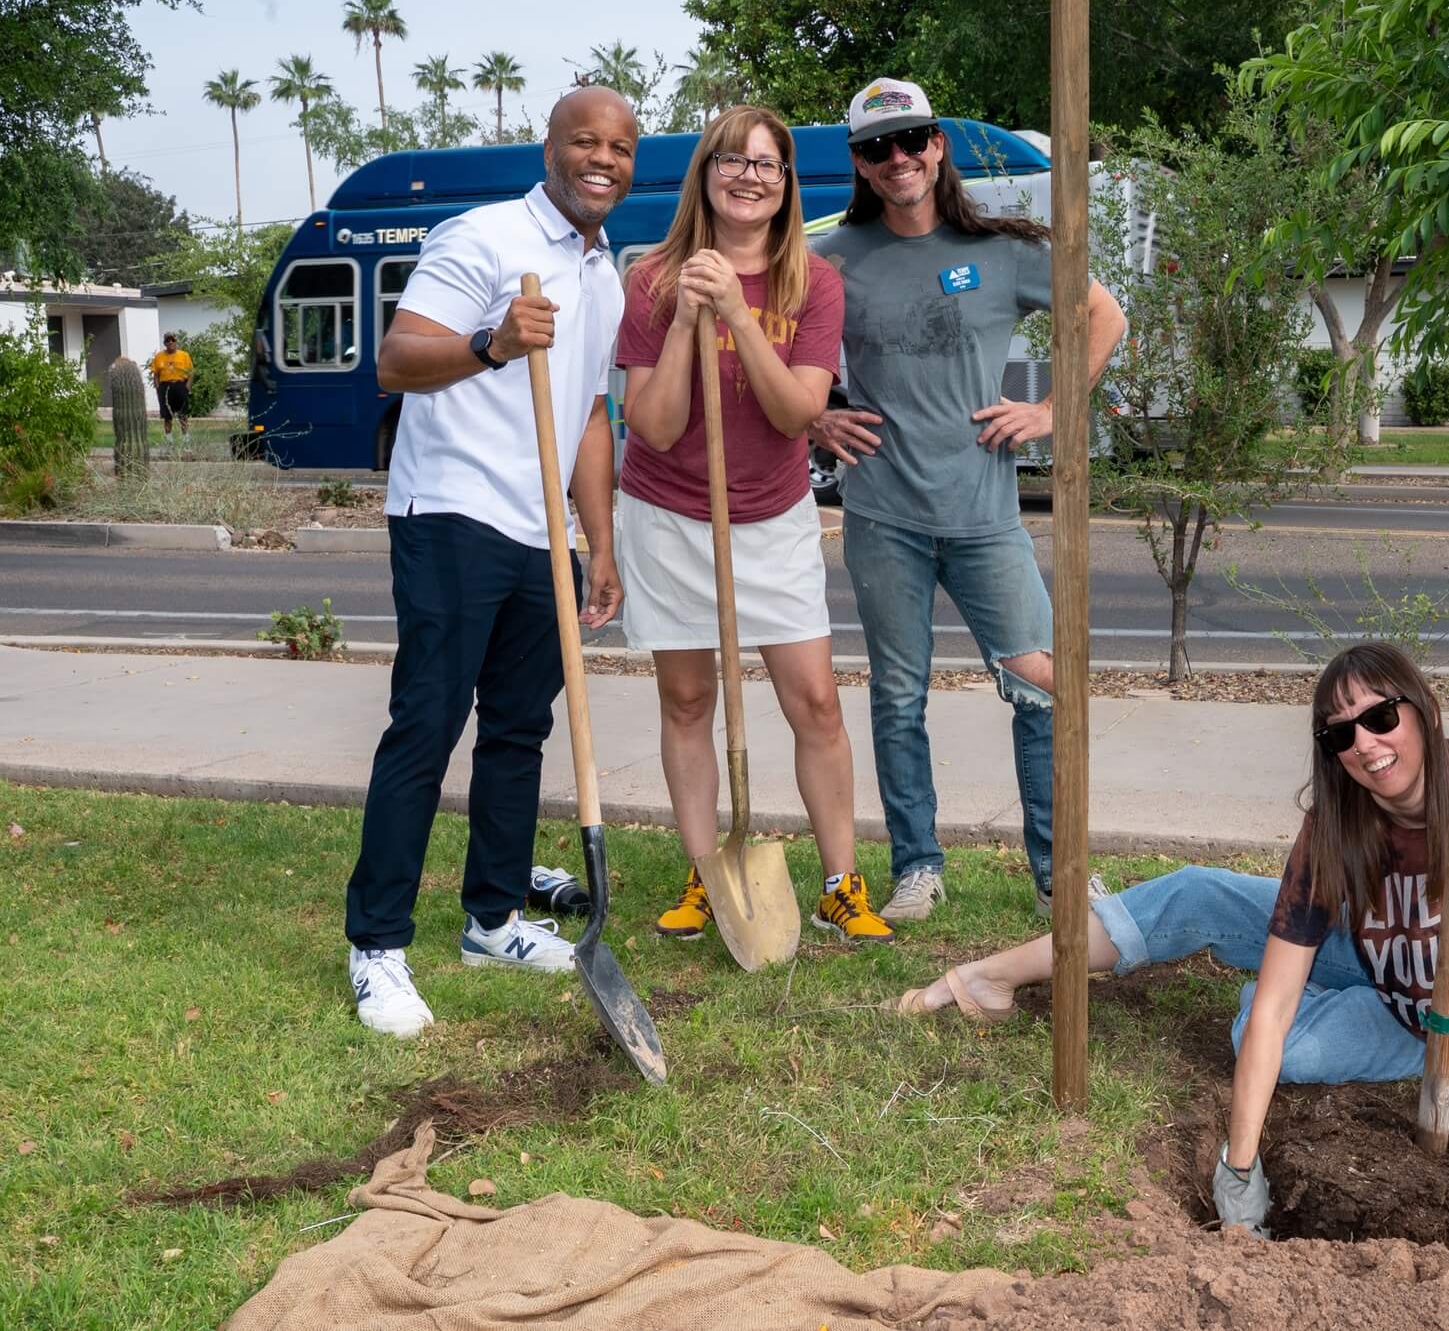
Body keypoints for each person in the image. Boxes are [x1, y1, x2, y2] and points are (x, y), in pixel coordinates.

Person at [897, 642, 1449, 1227]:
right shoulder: (1338, 822)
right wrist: (1238, 1165)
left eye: (1379, 717)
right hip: (1364, 952)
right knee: (1198, 892)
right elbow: (1279, 996)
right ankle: (988, 977)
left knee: (1289, 1047)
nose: (1365, 746)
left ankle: (1281, 1014)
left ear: (1421, 709)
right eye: (1340, 734)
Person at [343, 87, 637, 1038]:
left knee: (520, 726)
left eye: (621, 147)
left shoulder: (606, 275)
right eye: (586, 141)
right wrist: (493, 341)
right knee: (429, 720)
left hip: (540, 526)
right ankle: (377, 946)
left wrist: (598, 539)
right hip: (453, 511)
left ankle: (493, 917)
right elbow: (397, 357)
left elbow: (591, 415)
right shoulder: (480, 238)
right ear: (549, 149)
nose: (604, 159)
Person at [810, 78, 1127, 923]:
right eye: (878, 147)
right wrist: (816, 415)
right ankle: (917, 865)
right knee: (898, 698)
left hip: (986, 520)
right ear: (860, 164)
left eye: (911, 138)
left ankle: (1061, 873)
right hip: (882, 519)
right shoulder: (833, 259)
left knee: (1043, 688)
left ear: (938, 144)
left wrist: (1052, 410)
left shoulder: (1002, 249)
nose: (898, 158)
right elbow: (774, 346)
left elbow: (1104, 315)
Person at [610, 106, 887, 946]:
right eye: (732, 160)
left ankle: (840, 883)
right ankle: (707, 873)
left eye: (767, 165)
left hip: (768, 517)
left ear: (786, 185)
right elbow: (650, 425)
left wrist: (736, 311)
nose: (749, 176)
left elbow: (799, 408)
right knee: (688, 698)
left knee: (815, 703)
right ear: (706, 174)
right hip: (666, 514)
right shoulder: (654, 281)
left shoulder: (814, 283)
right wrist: (694, 313)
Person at [148, 333, 194, 438]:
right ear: (164, 343)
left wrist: (187, 387)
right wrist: (158, 389)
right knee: (167, 417)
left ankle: (186, 440)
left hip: (180, 386)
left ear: (176, 342)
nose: (170, 342)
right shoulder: (159, 356)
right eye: (168, 341)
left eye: (172, 340)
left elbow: (191, 373)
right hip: (165, 387)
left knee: (183, 415)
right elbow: (156, 374)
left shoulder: (184, 355)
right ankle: (169, 442)